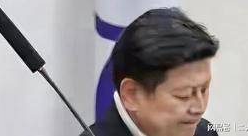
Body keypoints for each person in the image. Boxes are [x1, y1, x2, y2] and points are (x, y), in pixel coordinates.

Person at [82, 8, 219, 136]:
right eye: (184, 95)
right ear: (131, 94)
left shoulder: (205, 132)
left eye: (204, 90)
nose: (199, 108)